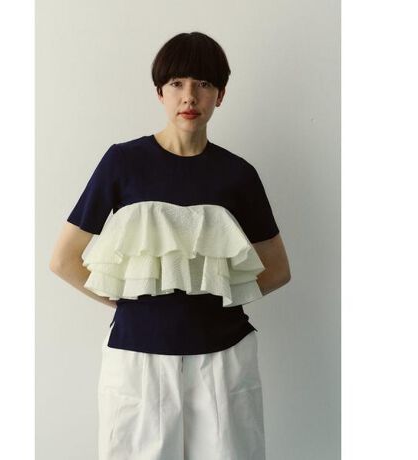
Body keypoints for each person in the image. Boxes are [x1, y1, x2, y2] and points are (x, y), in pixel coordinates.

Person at [50, 31, 291, 460]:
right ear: (159, 92)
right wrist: (130, 299)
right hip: (138, 359)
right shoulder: (123, 162)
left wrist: (215, 297)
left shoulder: (238, 174)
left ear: (220, 95)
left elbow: (277, 269)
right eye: (177, 83)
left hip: (223, 357)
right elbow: (64, 259)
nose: (189, 96)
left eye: (204, 83)